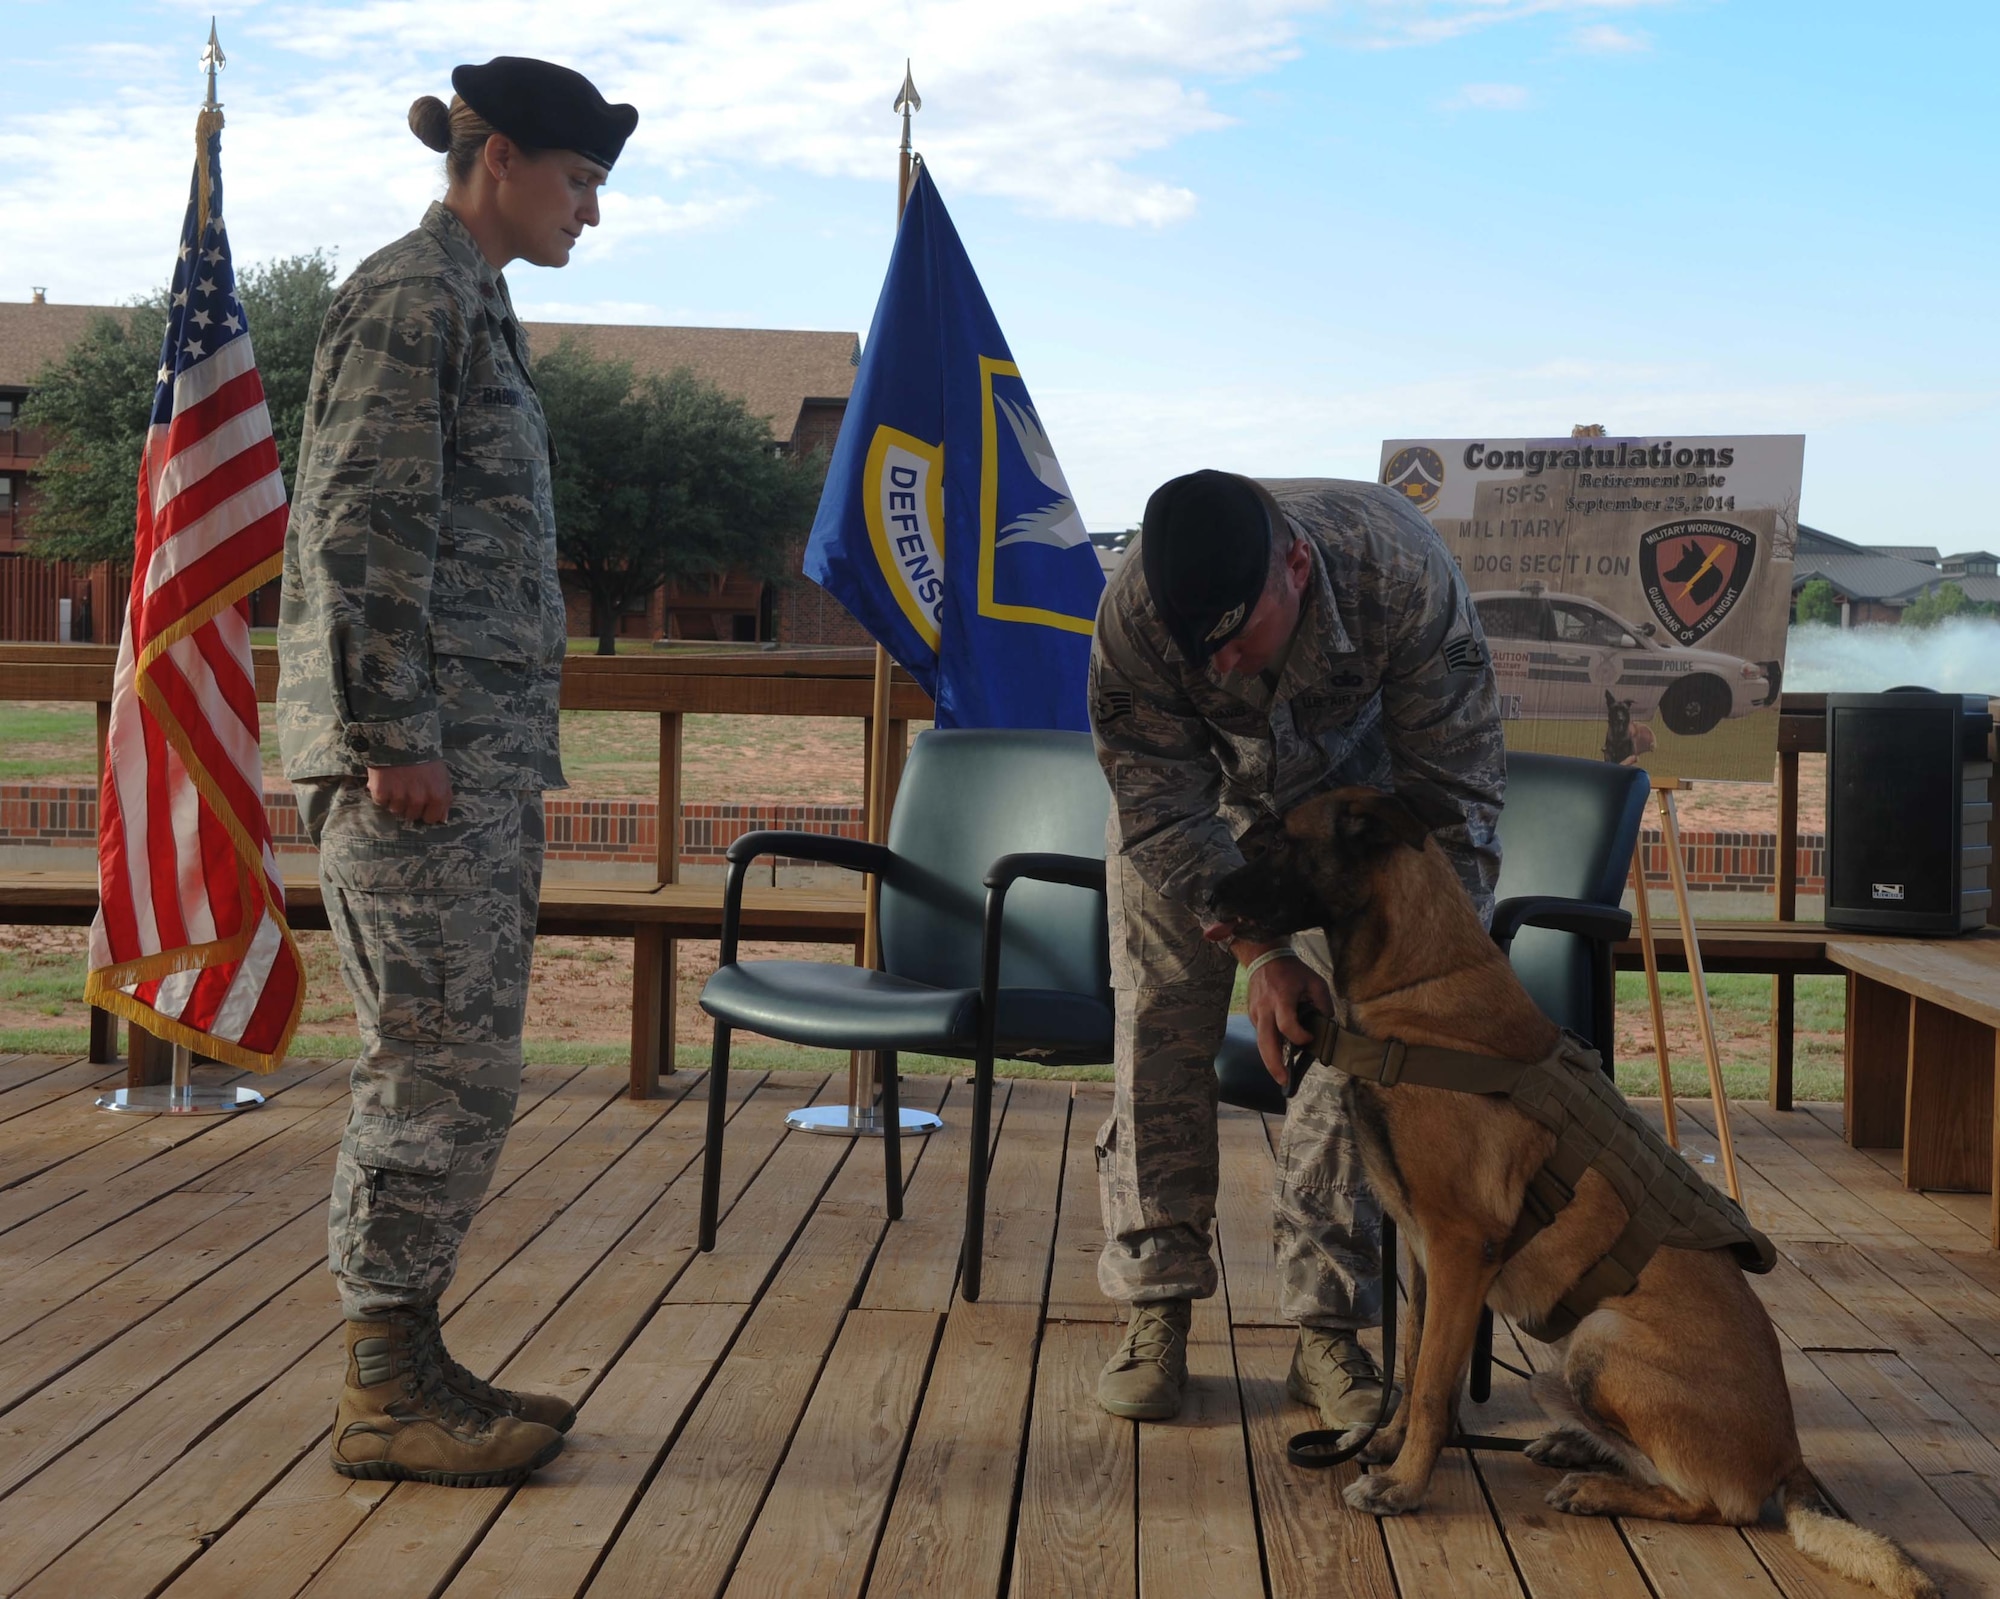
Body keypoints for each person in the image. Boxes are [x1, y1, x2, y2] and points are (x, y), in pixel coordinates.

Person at [276, 57, 637, 1487]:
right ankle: (383, 1383)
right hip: (416, 766)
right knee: (433, 1059)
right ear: (499, 161)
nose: (589, 214)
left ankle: (406, 1346)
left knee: (463, 1063)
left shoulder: (470, 302)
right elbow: (363, 523)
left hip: (465, 763)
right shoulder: (413, 299)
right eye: (578, 181)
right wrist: (394, 735)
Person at [1089, 470, 1505, 1426]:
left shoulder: (1399, 572)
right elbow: (1155, 805)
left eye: (1241, 637)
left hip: (1346, 829)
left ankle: (1328, 1331)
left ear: (1298, 569)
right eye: (1206, 651)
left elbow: (1456, 798)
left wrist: (1422, 968)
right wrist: (1259, 951)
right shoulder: (1133, 614)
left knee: (1360, 1042)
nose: (1226, 666)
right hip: (1191, 819)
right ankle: (1155, 1305)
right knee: (1158, 1023)